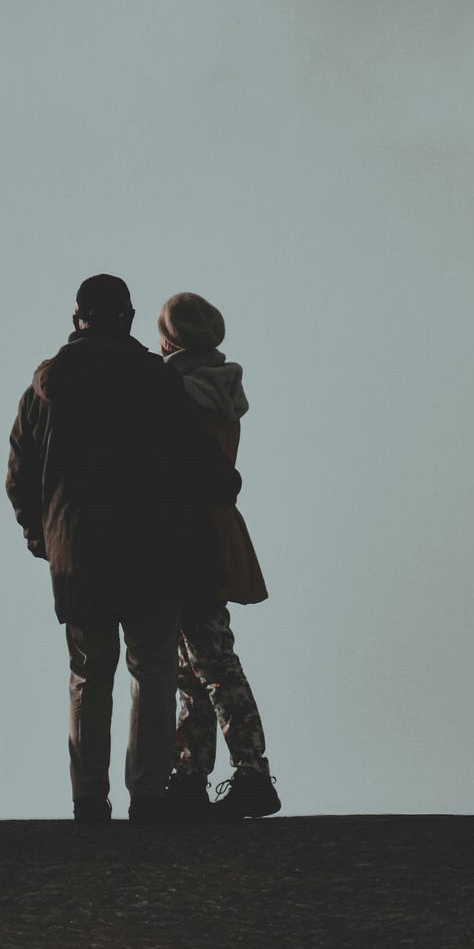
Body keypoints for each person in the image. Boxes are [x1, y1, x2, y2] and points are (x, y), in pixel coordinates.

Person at [6, 274, 241, 823]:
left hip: (78, 552)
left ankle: (89, 800)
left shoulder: (46, 386)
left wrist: (42, 537)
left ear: (76, 319)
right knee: (153, 667)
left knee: (89, 672)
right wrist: (224, 488)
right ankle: (148, 795)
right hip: (152, 549)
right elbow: (198, 457)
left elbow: (19, 476)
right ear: (130, 318)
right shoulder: (155, 381)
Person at [158, 291, 281, 820]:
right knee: (200, 656)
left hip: (184, 534)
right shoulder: (223, 387)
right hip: (216, 529)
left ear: (170, 336)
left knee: (206, 662)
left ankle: (241, 772)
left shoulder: (174, 391)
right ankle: (197, 771)